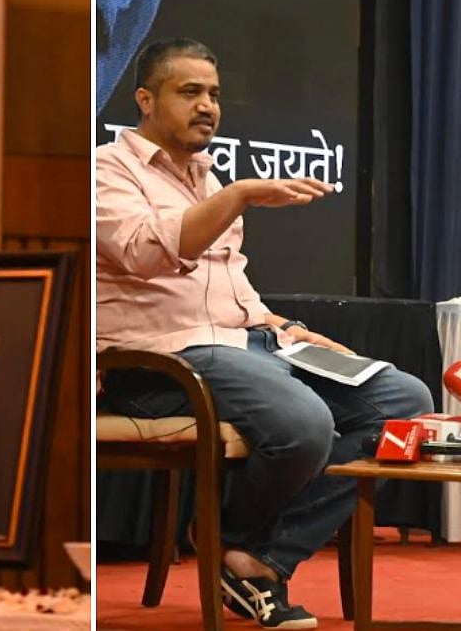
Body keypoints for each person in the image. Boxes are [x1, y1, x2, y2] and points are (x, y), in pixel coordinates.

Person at [96, 38, 433, 630]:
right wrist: (241, 194)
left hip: (243, 345)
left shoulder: (206, 179)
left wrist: (290, 329)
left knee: (405, 401)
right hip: (158, 361)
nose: (208, 106)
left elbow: (234, 288)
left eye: (214, 94)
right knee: (304, 423)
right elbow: (146, 253)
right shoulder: (106, 171)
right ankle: (244, 549)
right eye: (190, 92)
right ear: (145, 100)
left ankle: (250, 551)